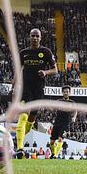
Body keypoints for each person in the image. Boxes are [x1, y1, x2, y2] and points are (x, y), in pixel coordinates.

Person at [15, 28, 57, 157]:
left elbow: (55, 70)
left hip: (38, 89)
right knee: (23, 115)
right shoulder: (23, 53)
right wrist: (13, 87)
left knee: (31, 120)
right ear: (29, 37)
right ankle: (20, 148)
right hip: (25, 88)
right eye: (32, 35)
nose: (34, 38)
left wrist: (45, 72)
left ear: (40, 38)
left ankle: (18, 139)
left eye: (37, 36)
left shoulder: (45, 52)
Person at [48, 85, 77, 158]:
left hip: (66, 123)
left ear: (69, 93)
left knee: (60, 139)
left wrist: (74, 117)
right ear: (62, 93)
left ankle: (56, 155)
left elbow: (75, 110)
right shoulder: (59, 101)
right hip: (57, 122)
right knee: (52, 141)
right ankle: (53, 153)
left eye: (67, 92)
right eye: (64, 92)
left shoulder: (72, 102)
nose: (66, 93)